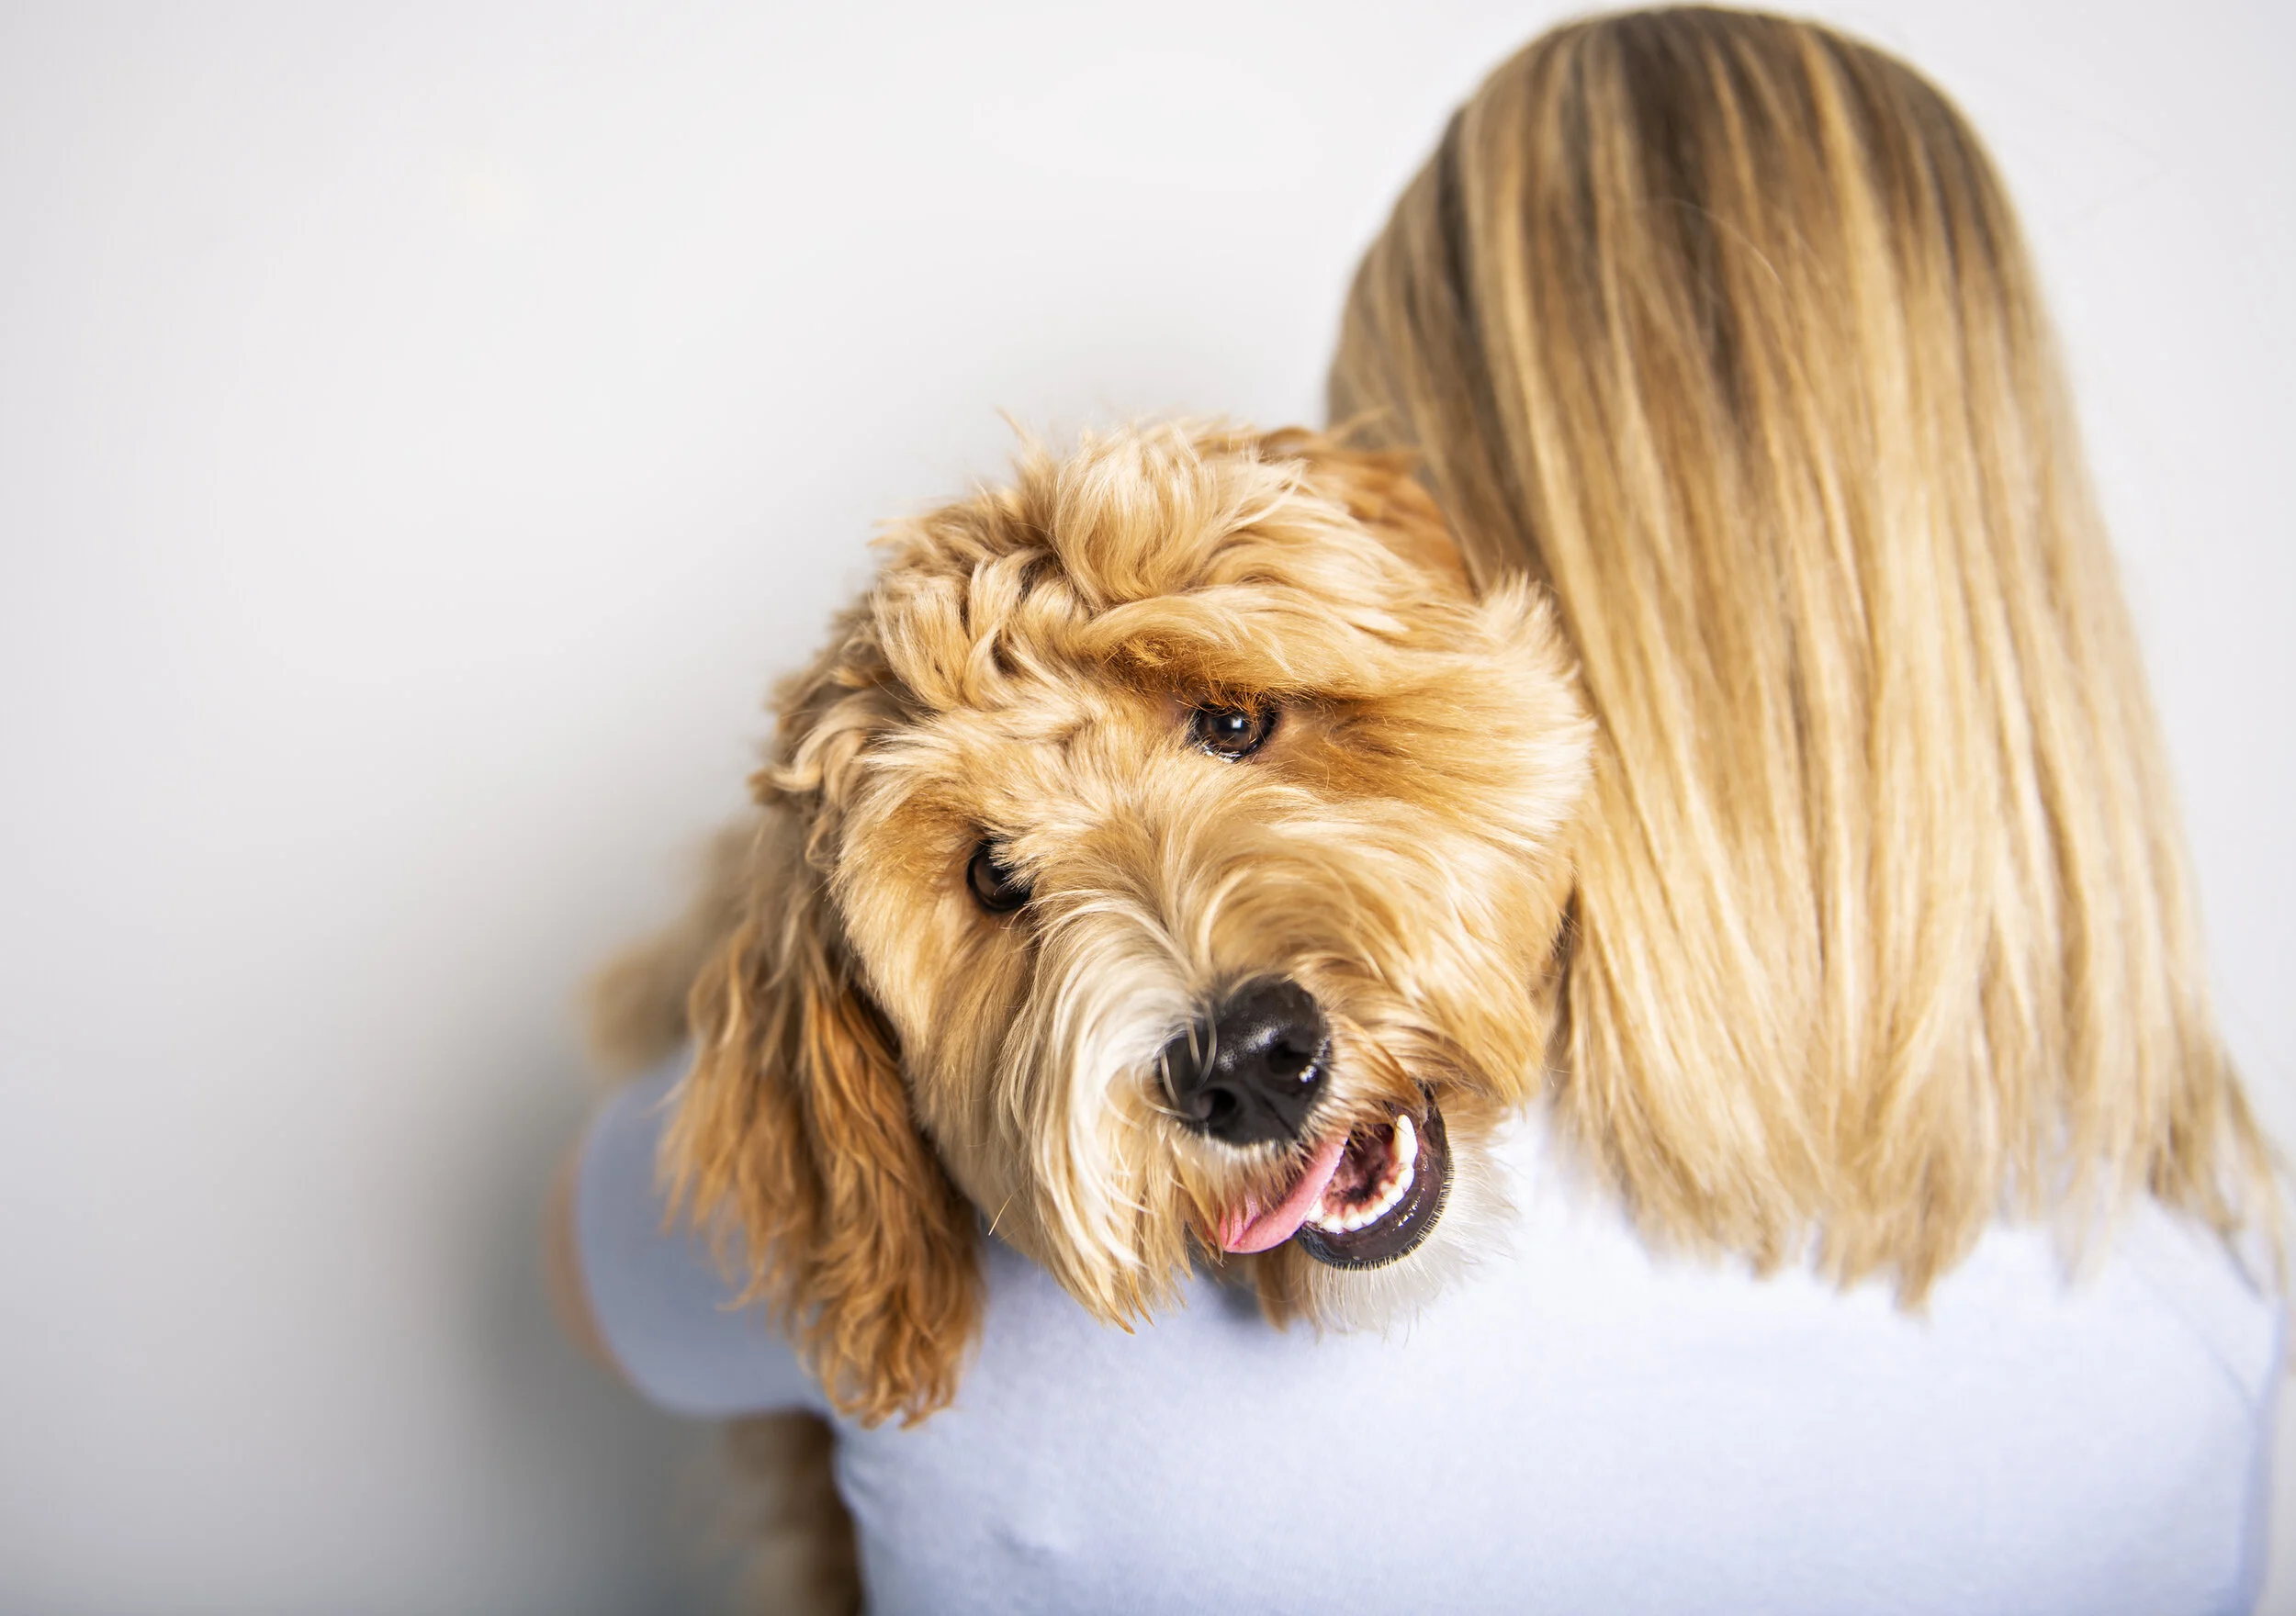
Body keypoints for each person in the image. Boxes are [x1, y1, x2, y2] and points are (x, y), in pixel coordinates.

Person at [548, 10, 2282, 1612]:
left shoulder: (1028, 1356)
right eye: (1003, 876)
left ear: (1458, 547)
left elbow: (604, 1276)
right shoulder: (2210, 1317)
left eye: (1236, 720)